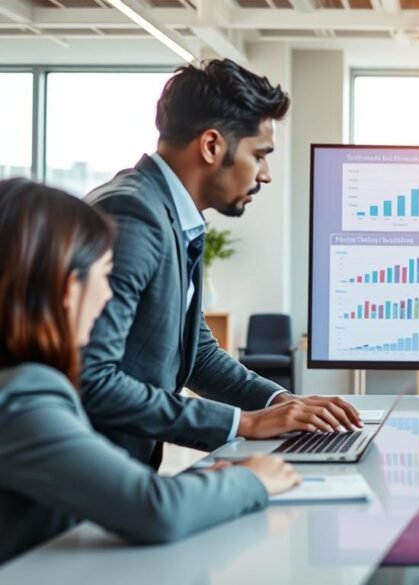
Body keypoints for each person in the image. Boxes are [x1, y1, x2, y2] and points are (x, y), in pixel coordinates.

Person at [0, 179, 300, 564]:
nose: (109, 296)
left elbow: (110, 498)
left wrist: (209, 480)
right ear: (67, 289)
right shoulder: (24, 397)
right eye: (105, 276)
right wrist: (253, 478)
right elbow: (156, 510)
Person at [80, 58, 361, 469]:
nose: (264, 174)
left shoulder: (168, 213)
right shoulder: (133, 216)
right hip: (82, 482)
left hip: (112, 468)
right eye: (260, 155)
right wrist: (243, 423)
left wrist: (283, 402)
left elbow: (197, 353)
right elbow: (94, 379)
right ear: (212, 145)